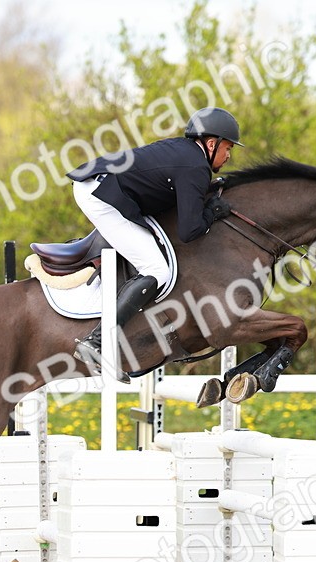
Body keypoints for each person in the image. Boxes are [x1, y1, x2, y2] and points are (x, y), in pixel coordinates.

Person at [67, 107, 243, 375]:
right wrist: (213, 213)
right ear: (211, 143)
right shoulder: (195, 166)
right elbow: (189, 231)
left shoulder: (187, 155)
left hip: (100, 185)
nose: (229, 155)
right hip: (100, 194)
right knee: (157, 270)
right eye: (228, 147)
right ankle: (96, 342)